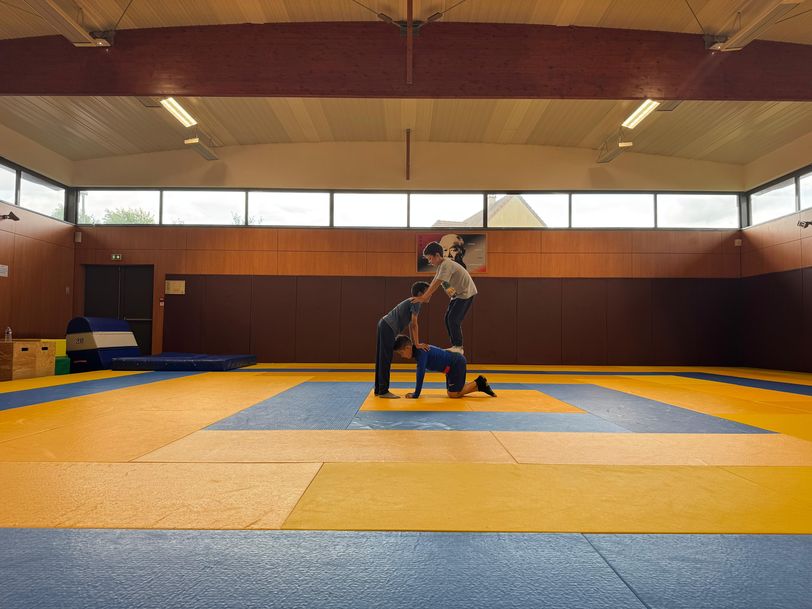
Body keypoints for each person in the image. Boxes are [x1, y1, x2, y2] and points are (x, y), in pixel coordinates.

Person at [411, 241, 477, 354]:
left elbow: (437, 283)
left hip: (466, 293)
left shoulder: (446, 265)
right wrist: (426, 296)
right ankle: (455, 345)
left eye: (430, 258)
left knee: (453, 319)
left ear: (437, 255)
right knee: (447, 318)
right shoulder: (441, 266)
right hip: (458, 294)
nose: (429, 261)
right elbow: (434, 282)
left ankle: (458, 347)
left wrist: (423, 297)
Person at [393, 335, 495, 399]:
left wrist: (416, 394)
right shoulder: (419, 351)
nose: (402, 356)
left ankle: (479, 382)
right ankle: (479, 387)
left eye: (401, 353)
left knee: (453, 394)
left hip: (456, 363)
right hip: (451, 367)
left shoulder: (421, 352)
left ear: (408, 348)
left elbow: (420, 373)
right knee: (451, 393)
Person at [374, 281, 430, 399]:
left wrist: (414, 343)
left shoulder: (412, 301)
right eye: (428, 291)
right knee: (385, 358)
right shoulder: (416, 301)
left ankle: (379, 389)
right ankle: (383, 391)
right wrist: (417, 344)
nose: (430, 294)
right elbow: (414, 324)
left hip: (384, 324)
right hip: (388, 326)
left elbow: (410, 325)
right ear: (420, 294)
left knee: (382, 358)